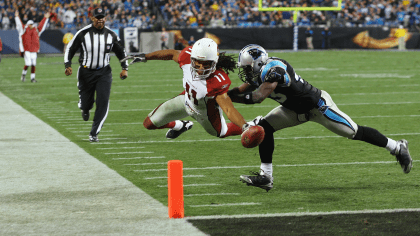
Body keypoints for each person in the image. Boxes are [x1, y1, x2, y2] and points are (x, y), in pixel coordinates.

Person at [228, 44, 413, 191]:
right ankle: (266, 177)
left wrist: (228, 98)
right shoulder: (258, 73)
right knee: (264, 127)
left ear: (258, 63)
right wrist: (221, 96)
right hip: (293, 110)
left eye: (247, 67)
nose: (245, 72)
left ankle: (397, 147)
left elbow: (258, 96)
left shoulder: (275, 68)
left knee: (354, 132)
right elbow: (239, 91)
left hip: (318, 106)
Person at [122, 38, 250, 140]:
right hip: (186, 100)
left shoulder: (217, 81)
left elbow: (228, 109)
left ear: (214, 62)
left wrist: (245, 127)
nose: (200, 68)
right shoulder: (186, 58)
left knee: (222, 132)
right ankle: (181, 125)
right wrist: (145, 56)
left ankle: (254, 124)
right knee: (148, 124)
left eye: (206, 64)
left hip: (204, 112)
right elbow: (172, 54)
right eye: (197, 62)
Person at [64, 8, 129, 142]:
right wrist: (67, 64)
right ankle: (85, 108)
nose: (100, 20)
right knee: (86, 104)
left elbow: (120, 51)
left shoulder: (111, 35)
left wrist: (124, 68)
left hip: (104, 72)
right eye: (97, 17)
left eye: (102, 17)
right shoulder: (83, 33)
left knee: (103, 101)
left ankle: (94, 133)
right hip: (86, 72)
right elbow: (71, 48)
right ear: (92, 18)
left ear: (106, 18)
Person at [15, 10, 50, 83]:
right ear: (28, 24)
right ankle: (23, 75)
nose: (31, 25)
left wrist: (45, 18)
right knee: (28, 63)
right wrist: (17, 17)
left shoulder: (36, 30)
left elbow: (42, 26)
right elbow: (19, 24)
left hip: (34, 49)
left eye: (32, 24)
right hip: (26, 49)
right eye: (30, 24)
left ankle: (32, 78)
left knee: (34, 64)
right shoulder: (24, 29)